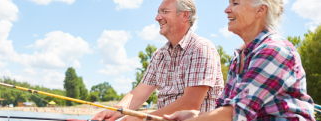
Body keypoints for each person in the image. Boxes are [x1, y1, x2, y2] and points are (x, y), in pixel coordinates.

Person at [165, 0, 316, 120]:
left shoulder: (275, 50)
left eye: (235, 3)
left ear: (260, 10)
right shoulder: (239, 56)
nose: (227, 9)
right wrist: (195, 115)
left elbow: (236, 113)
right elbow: (224, 110)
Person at [91, 0, 224, 120]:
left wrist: (142, 118)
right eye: (158, 12)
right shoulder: (159, 55)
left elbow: (190, 103)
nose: (157, 18)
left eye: (164, 11)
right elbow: (138, 93)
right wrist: (114, 112)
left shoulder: (201, 48)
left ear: (184, 15)